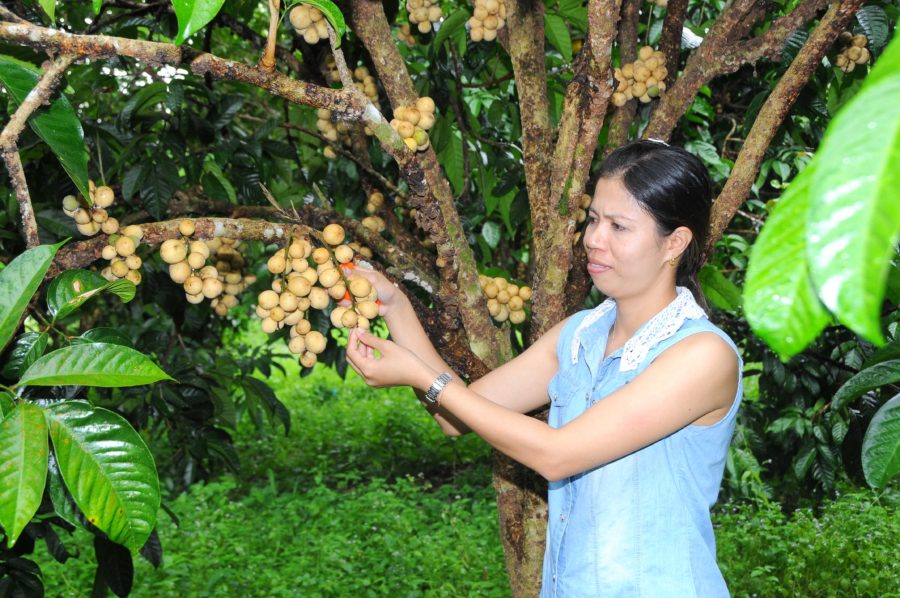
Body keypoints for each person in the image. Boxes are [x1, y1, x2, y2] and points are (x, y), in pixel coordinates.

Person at [345, 140, 742, 596]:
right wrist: (394, 305)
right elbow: (455, 414)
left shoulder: (702, 355)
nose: (594, 238)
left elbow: (558, 455)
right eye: (594, 219)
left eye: (619, 226)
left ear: (675, 242)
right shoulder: (577, 335)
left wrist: (422, 376)